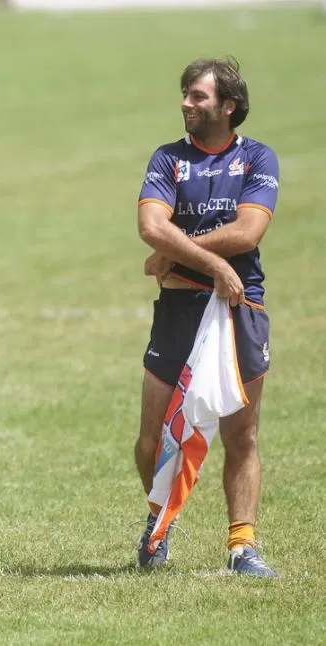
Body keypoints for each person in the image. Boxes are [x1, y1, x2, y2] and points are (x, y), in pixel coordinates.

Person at [135, 58, 278, 577]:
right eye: (185, 94)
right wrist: (213, 263)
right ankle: (159, 523)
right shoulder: (168, 159)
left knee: (242, 434)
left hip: (241, 307)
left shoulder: (258, 158)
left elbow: (247, 233)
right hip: (177, 308)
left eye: (197, 96)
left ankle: (243, 546)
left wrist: (178, 252)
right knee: (153, 436)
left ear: (228, 105)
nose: (186, 104)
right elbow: (151, 227)